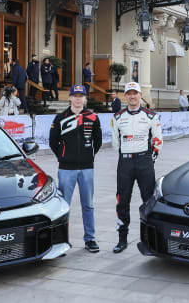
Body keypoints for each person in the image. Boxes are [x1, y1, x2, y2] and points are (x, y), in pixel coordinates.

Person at [49, 84, 102, 253]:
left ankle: (90, 239)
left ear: (85, 98)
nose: (78, 99)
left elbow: (98, 141)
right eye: (75, 96)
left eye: (81, 96)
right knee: (64, 206)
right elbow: (53, 141)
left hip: (87, 169)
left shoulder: (93, 117)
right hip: (66, 169)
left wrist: (89, 157)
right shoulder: (60, 118)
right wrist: (63, 157)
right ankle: (62, 241)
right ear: (70, 98)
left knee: (88, 204)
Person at [111, 82, 162, 253]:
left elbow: (157, 140)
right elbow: (115, 143)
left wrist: (149, 159)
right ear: (125, 96)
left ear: (140, 95)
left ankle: (148, 239)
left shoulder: (151, 116)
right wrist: (125, 157)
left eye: (135, 93)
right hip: (125, 163)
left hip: (144, 162)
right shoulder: (117, 117)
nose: (132, 96)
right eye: (129, 93)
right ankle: (122, 239)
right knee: (122, 201)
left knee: (148, 201)